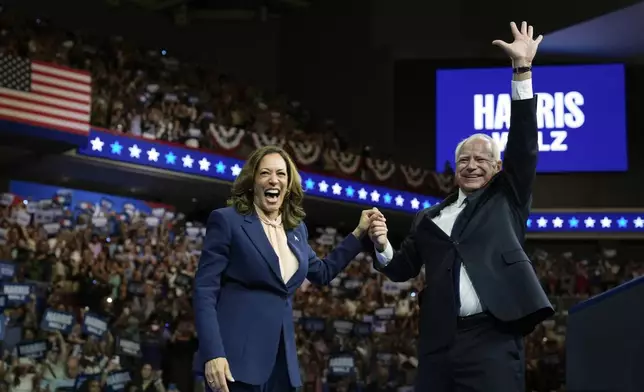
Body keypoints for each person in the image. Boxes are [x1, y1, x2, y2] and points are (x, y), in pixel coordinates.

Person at [367, 22, 554, 392]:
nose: (471, 164)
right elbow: (401, 269)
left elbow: (523, 146)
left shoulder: (507, 197)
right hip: (439, 344)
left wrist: (522, 71)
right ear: (455, 171)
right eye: (464, 159)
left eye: (482, 159)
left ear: (497, 168)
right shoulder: (429, 219)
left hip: (493, 338)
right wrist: (381, 242)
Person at [193, 145, 381, 392]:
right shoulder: (228, 220)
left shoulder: (296, 230)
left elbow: (323, 272)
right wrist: (213, 353)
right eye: (265, 173)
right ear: (252, 181)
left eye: (281, 174)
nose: (274, 180)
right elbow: (204, 290)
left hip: (281, 366)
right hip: (234, 363)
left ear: (289, 183)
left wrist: (358, 234)